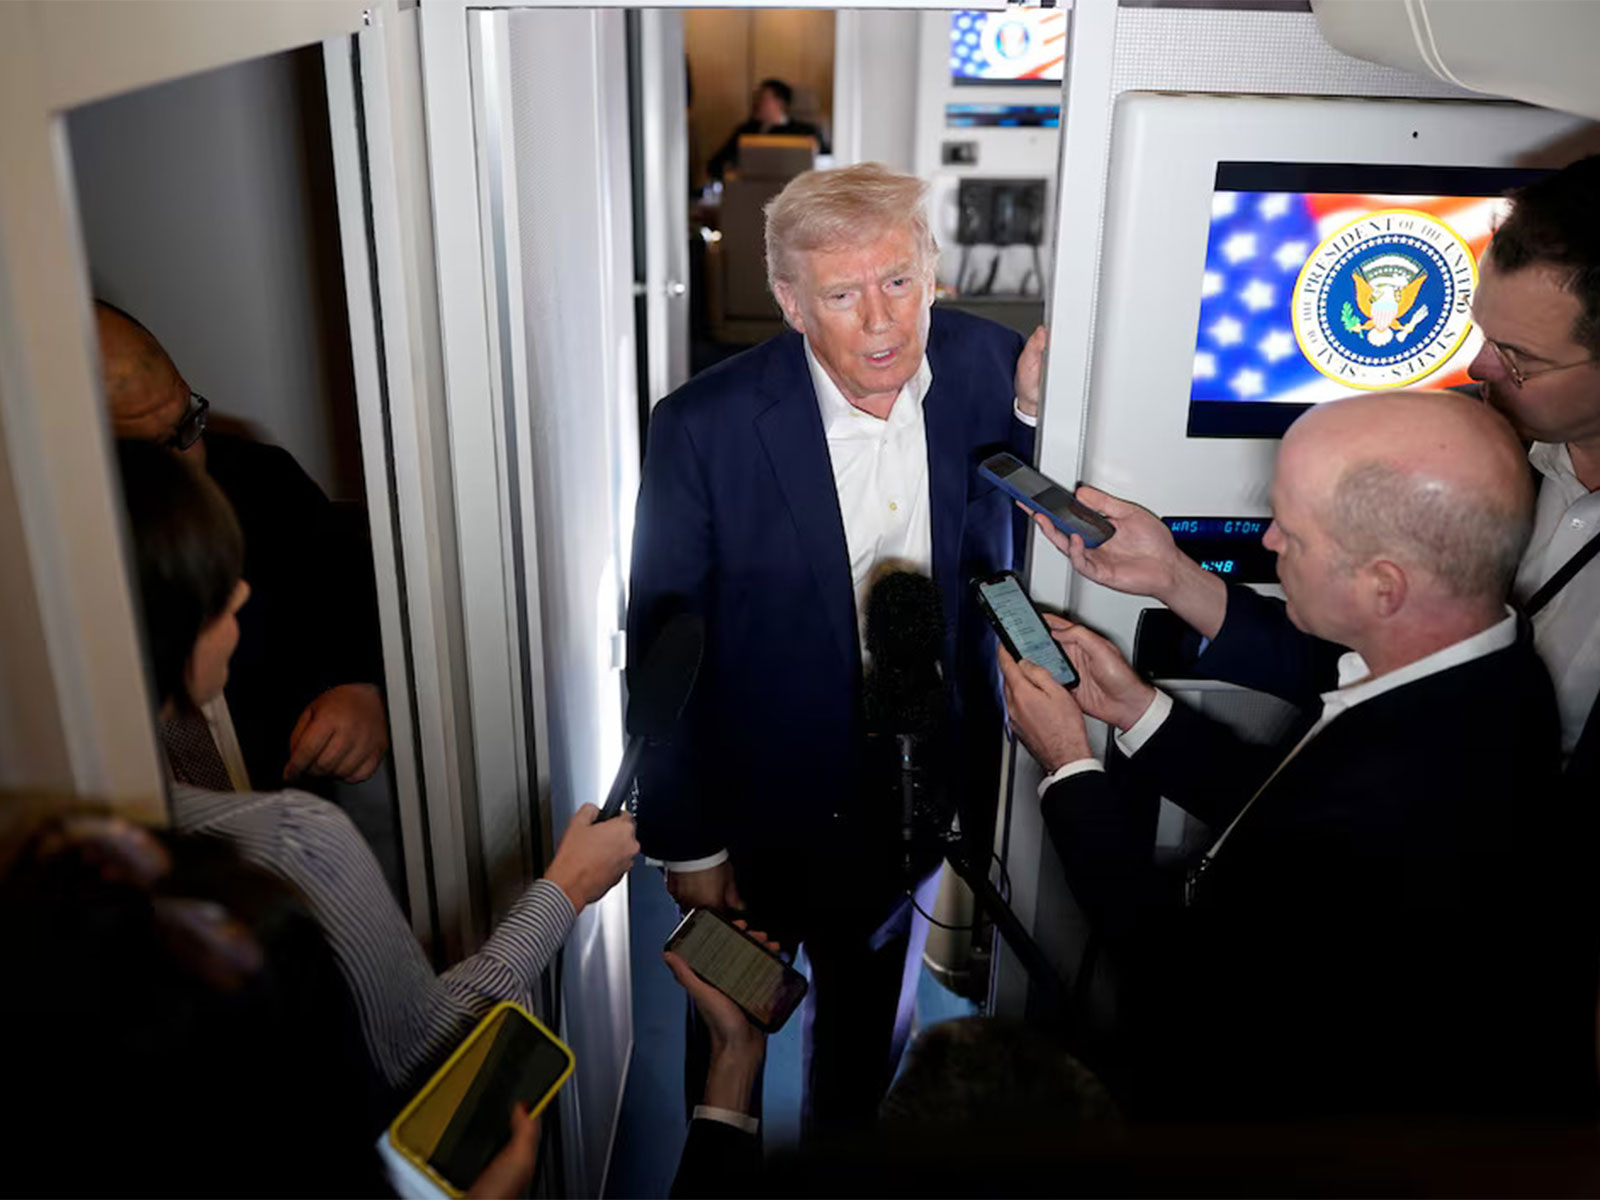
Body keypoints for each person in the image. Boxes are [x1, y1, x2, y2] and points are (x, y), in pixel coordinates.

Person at [1000, 391, 1594, 1120]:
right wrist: (1136, 710)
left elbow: (1179, 983)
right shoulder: (1490, 673)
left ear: (1385, 586)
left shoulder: (1417, 798)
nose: (1272, 541)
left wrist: (1066, 763)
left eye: (1295, 532)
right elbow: (1289, 807)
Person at [628, 162, 1046, 1132]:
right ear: (788, 300)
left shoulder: (1001, 372)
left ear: (933, 270)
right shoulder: (701, 429)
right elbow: (663, 638)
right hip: (759, 806)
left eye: (899, 281)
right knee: (729, 1032)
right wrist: (686, 840)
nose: (881, 322)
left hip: (921, 800)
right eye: (843, 293)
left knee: (864, 1058)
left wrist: (1041, 419)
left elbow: (1028, 552)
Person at [114, 438, 640, 1095]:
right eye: (215, 588)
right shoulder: (292, 838)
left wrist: (365, 687)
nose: (243, 592)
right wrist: (568, 888)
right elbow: (428, 1040)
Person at [97, 300, 389, 792]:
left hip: (291, 801)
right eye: (155, 453)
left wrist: (364, 688)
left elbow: (357, 595)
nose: (191, 464)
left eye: (187, 421)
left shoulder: (264, 482)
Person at [1466, 154, 1600, 793]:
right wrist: (1181, 580)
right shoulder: (1477, 452)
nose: (1480, 370)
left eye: (1516, 356)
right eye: (1486, 335)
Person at [707, 78, 830, 182]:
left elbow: (827, 163)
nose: (756, 102)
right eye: (756, 97)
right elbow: (715, 165)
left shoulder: (805, 132)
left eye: (762, 98)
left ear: (780, 103)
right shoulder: (745, 131)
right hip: (749, 190)